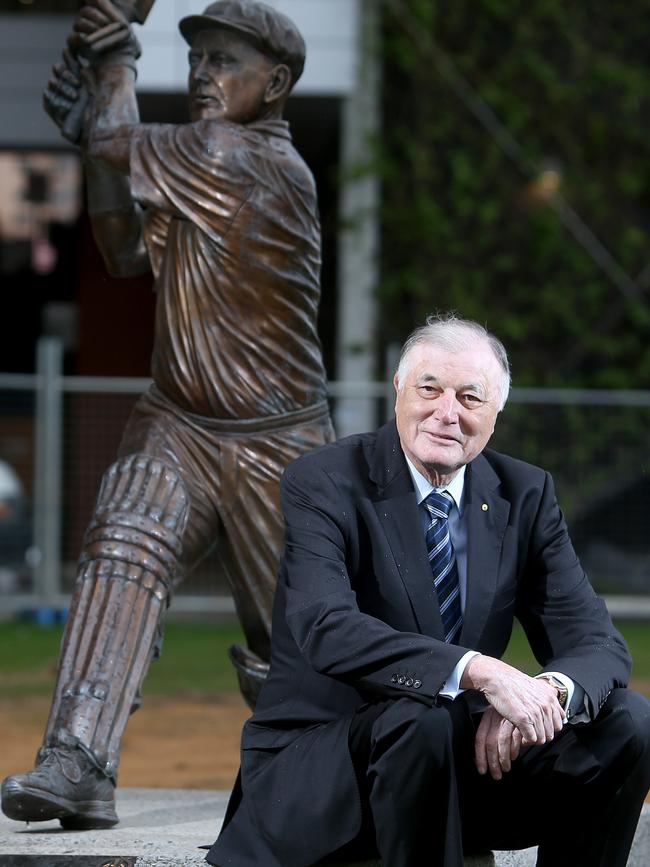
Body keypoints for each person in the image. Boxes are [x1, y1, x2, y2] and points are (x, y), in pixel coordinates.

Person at [1, 0, 334, 830]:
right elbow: (119, 248)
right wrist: (101, 123)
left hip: (279, 442)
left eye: (226, 61)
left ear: (279, 84)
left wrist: (113, 57)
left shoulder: (247, 159)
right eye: (196, 59)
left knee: (306, 647)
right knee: (124, 540)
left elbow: (117, 144)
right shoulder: (191, 165)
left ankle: (350, 775)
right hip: (180, 420)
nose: (201, 75)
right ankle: (76, 760)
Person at [207, 313, 650, 867]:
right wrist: (481, 672)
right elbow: (327, 628)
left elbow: (599, 644)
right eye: (430, 388)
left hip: (462, 766)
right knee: (420, 720)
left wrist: (546, 697)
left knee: (628, 722)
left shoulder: (525, 494)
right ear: (398, 388)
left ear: (495, 414)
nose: (447, 414)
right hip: (329, 773)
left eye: (470, 398)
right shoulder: (325, 481)